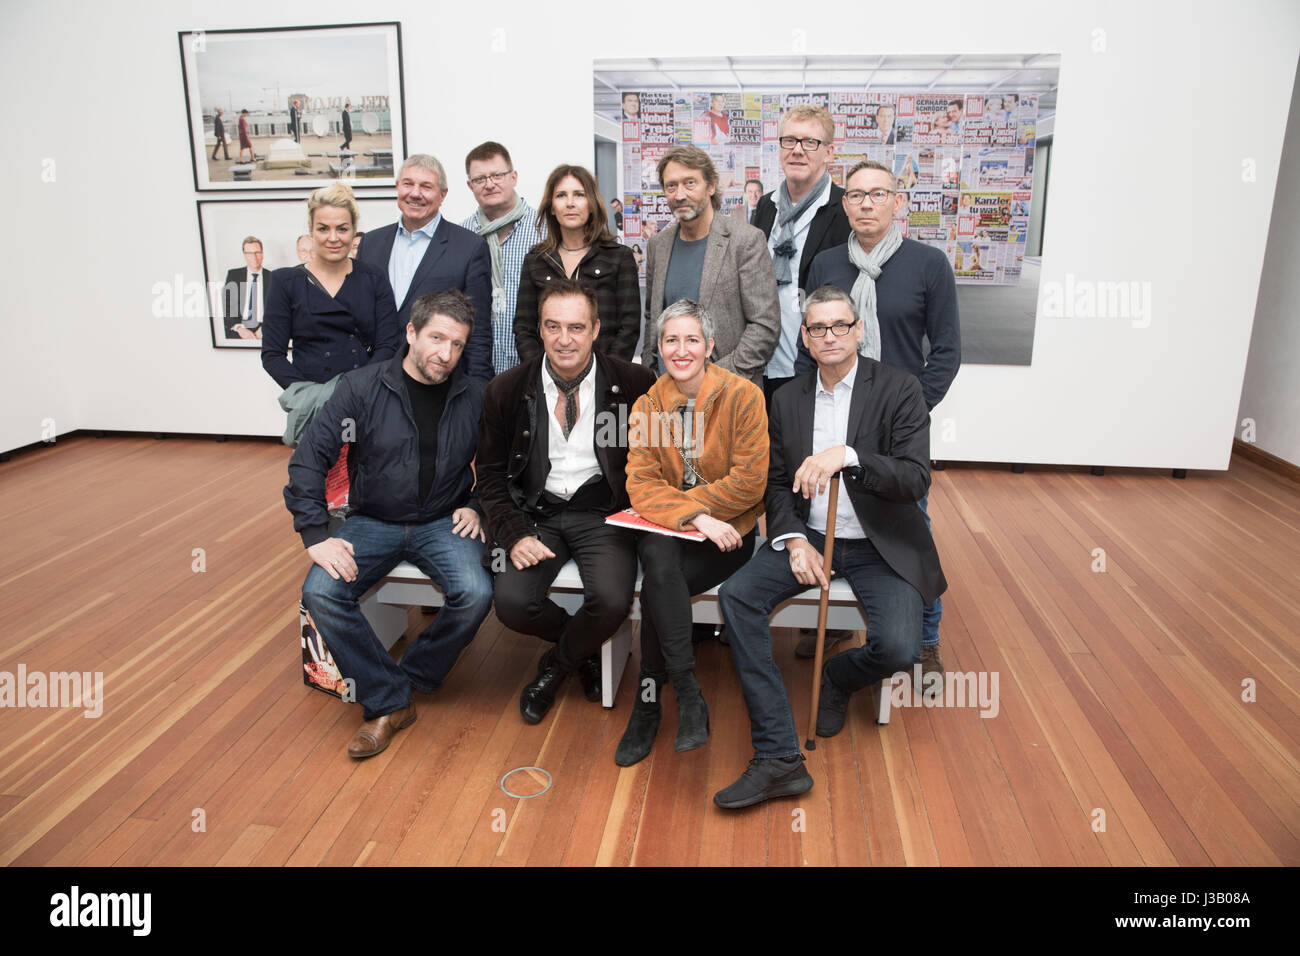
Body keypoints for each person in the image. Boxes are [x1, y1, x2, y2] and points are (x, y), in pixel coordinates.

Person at [713, 285, 947, 809]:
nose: (830, 336)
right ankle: (777, 755)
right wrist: (794, 540)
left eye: (841, 325)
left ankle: (838, 678)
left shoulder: (900, 389)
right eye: (818, 328)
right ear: (805, 337)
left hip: (878, 545)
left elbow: (913, 479)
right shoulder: (787, 398)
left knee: (900, 649)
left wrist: (849, 455)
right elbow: (776, 483)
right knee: (736, 597)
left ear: (859, 329)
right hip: (810, 536)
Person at [286, 289, 494, 759]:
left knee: (477, 594)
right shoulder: (361, 387)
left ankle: (410, 678)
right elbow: (308, 460)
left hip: (444, 520)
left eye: (457, 344)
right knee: (319, 592)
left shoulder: (475, 394)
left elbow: (504, 464)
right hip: (372, 520)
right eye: (437, 338)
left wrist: (479, 503)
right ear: (411, 333)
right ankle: (390, 700)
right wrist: (315, 535)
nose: (446, 353)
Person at [794, 160, 961, 679]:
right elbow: (811, 342)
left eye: (878, 194)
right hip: (831, 413)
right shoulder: (824, 263)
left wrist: (909, 412)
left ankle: (926, 637)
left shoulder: (928, 264)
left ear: (898, 202)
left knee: (911, 525)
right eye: (857, 195)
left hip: (896, 425)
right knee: (828, 516)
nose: (866, 203)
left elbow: (948, 351)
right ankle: (839, 618)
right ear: (844, 205)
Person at [478, 277, 655, 724]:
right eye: (553, 326)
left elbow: (654, 461)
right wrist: (514, 535)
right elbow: (492, 476)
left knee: (613, 602)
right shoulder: (506, 389)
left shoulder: (635, 383)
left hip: (603, 513)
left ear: (596, 329)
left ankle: (555, 668)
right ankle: (584, 652)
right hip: (535, 513)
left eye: (576, 327)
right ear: (540, 329)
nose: (564, 339)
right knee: (513, 605)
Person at [614, 299, 769, 766]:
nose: (681, 350)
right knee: (662, 564)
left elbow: (750, 482)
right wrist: (696, 517)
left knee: (662, 576)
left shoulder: (744, 396)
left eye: (692, 340)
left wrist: (694, 512)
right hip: (676, 531)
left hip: (730, 538)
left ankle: (649, 700)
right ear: (658, 348)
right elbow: (640, 484)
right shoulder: (647, 404)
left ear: (710, 346)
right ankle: (686, 691)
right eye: (670, 340)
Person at [261, 182, 400, 442]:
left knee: (368, 476)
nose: (333, 237)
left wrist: (357, 391)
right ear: (311, 231)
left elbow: (387, 345)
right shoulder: (285, 282)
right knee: (318, 478)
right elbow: (272, 355)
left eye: (342, 228)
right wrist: (312, 395)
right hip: (312, 405)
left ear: (354, 231)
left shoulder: (373, 278)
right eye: (323, 228)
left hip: (366, 400)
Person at [640, 145, 779, 388]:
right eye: (671, 186)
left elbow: (764, 326)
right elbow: (653, 317)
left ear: (711, 186)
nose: (680, 194)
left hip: (729, 393)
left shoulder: (745, 240)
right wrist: (649, 373)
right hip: (666, 393)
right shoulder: (657, 245)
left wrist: (712, 379)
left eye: (690, 183)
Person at [357, 154, 494, 383]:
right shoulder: (370, 244)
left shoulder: (469, 247)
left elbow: (477, 331)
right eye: (408, 184)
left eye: (426, 186)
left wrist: (479, 391)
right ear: (397, 187)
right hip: (376, 379)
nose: (415, 193)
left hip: (440, 382)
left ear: (442, 195)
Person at [751, 105, 851, 402]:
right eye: (789, 140)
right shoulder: (767, 206)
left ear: (829, 153)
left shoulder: (845, 208)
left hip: (815, 364)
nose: (797, 150)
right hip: (764, 364)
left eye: (810, 142)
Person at [514, 164, 640, 361]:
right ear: (552, 208)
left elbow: (629, 328)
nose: (570, 203)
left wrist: (607, 375)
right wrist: (542, 375)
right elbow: (524, 328)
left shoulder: (618, 257)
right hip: (547, 381)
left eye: (579, 194)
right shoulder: (536, 259)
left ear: (592, 204)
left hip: (605, 379)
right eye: (561, 195)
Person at [459, 141, 543, 374]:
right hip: (475, 370)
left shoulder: (545, 231)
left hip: (533, 368)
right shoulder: (461, 236)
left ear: (513, 177)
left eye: (497, 175)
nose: (489, 184)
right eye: (480, 179)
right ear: (470, 185)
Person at [223, 236, 271, 340]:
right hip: (239, 327)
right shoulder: (233, 275)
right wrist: (239, 328)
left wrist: (266, 328)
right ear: (244, 255)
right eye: (249, 253)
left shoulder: (273, 277)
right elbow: (227, 306)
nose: (254, 257)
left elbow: (279, 309)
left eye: (257, 252)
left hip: (265, 328)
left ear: (262, 254)